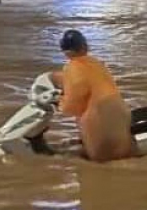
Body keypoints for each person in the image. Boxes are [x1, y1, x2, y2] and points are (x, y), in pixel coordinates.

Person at [51, 30, 134, 162]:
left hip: (99, 115)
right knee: (122, 151)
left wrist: (59, 102)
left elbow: (72, 106)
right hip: (120, 110)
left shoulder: (71, 68)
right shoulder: (95, 63)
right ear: (85, 46)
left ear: (64, 50)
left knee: (99, 161)